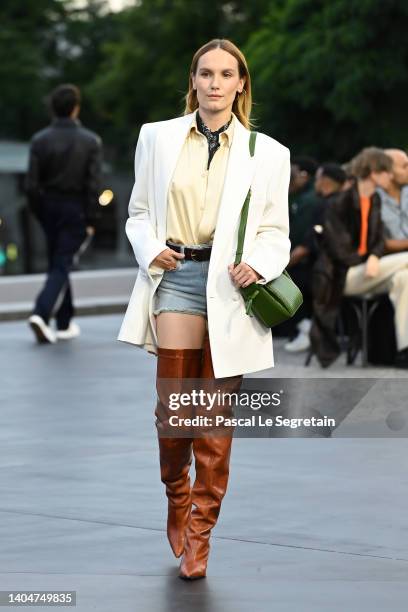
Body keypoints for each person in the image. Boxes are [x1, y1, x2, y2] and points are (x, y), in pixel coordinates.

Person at [118, 39, 291, 579]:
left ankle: (200, 531)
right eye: (205, 73)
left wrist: (258, 264)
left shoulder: (269, 152)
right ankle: (176, 490)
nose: (215, 83)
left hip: (231, 288)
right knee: (175, 414)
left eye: (226, 74)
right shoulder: (158, 137)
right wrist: (151, 250)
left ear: (241, 83)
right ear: (192, 81)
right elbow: (139, 212)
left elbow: (275, 232)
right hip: (176, 277)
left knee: (213, 421)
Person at [310, 147, 408, 368]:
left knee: (405, 278)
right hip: (342, 277)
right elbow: (339, 250)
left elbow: (377, 242)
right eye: (386, 172)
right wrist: (370, 259)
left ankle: (404, 351)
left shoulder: (374, 201)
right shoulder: (338, 203)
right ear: (374, 172)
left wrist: (374, 256)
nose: (391, 176)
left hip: (369, 272)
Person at [25, 84, 102, 343]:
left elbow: (31, 185)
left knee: (59, 261)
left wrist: (40, 211)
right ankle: (41, 313)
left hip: (48, 207)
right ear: (75, 108)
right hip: (76, 209)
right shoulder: (90, 141)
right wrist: (91, 218)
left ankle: (65, 322)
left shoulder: (39, 140)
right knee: (62, 262)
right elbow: (93, 185)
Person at [284, 163, 346, 352]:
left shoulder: (324, 205)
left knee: (283, 282)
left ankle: (307, 327)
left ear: (325, 181)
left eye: (318, 178)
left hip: (326, 271)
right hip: (341, 267)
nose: (315, 183)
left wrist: (280, 265)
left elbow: (307, 246)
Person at [377, 149, 408, 253]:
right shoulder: (374, 200)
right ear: (387, 172)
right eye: (404, 166)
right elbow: (381, 243)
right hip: (390, 259)